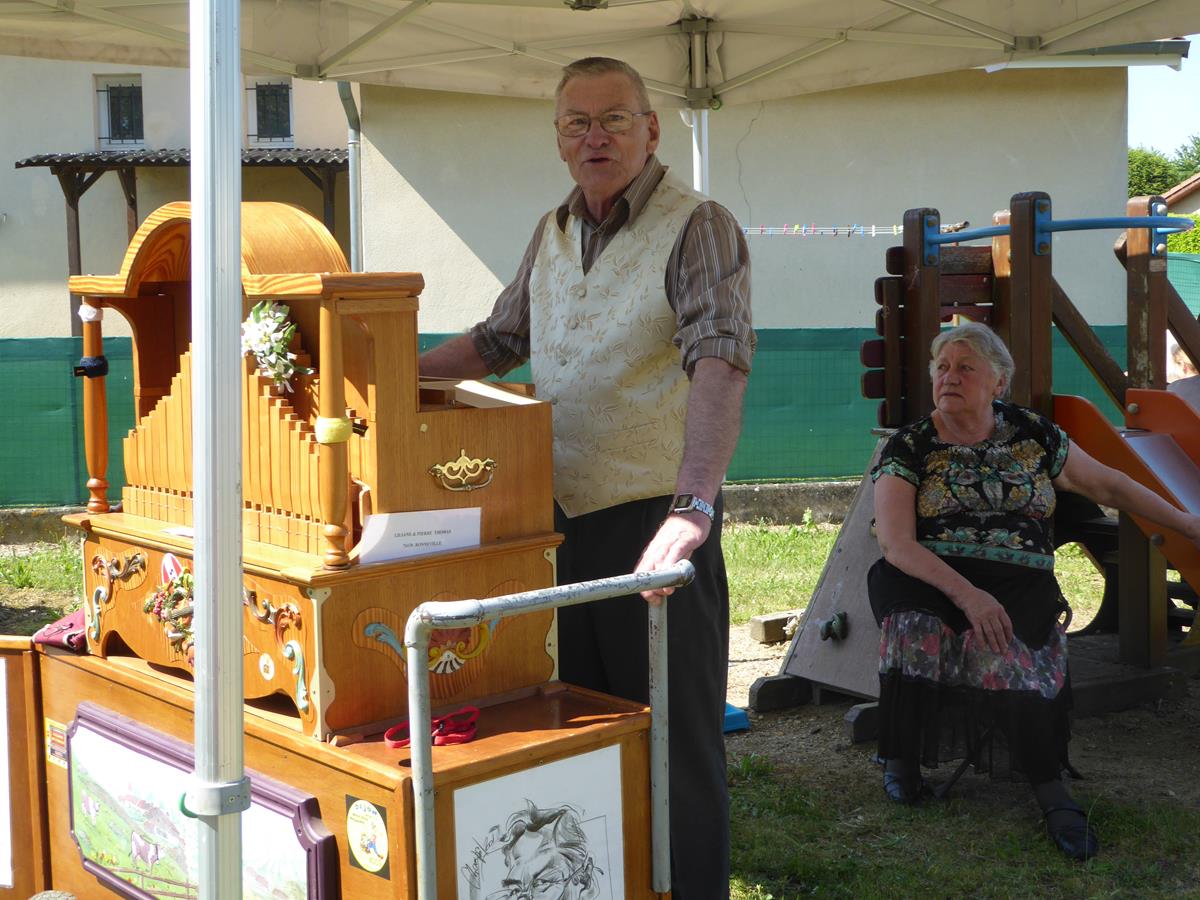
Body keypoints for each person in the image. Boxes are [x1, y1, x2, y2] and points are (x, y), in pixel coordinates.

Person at [420, 56, 753, 898]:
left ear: (651, 129)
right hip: (558, 529)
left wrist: (694, 506)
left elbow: (719, 360)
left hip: (656, 527)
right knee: (580, 732)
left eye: (615, 118)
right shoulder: (553, 231)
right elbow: (497, 343)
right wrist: (386, 379)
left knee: (673, 748)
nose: (596, 136)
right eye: (577, 122)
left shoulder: (697, 223)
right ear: (559, 139)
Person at [868, 321, 1200, 861]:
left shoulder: (1034, 434)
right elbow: (898, 546)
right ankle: (902, 760)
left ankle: (1052, 793)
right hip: (926, 576)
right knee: (917, 628)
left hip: (1019, 580)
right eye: (942, 368)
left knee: (1011, 658)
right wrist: (969, 596)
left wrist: (1187, 523)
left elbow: (1109, 484)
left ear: (997, 383)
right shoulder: (911, 445)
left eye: (965, 368)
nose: (949, 378)